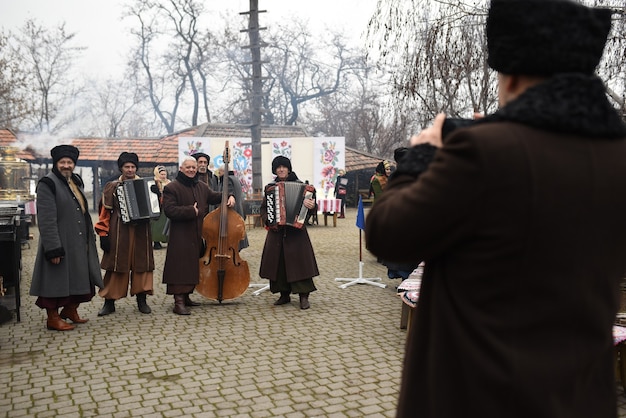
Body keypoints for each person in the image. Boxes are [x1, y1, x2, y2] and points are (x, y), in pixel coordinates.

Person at [365, 1, 626, 417]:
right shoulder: (615, 154)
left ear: (515, 73)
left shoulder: (487, 153)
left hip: (482, 394)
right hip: (580, 396)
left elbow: (389, 234)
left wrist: (421, 158)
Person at [30, 145, 104, 331]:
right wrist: (53, 248)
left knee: (83, 280)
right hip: (59, 241)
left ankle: (70, 311)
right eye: (62, 162)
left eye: (69, 162)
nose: (66, 165)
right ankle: (52, 318)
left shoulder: (75, 182)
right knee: (56, 282)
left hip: (78, 242)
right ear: (56, 163)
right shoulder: (48, 183)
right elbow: (46, 220)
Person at [161, 157, 236, 315]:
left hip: (196, 234)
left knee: (192, 265)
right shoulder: (172, 188)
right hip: (180, 236)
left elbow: (215, 196)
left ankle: (187, 296)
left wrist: (229, 195)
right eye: (188, 167)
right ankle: (178, 302)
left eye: (193, 167)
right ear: (181, 169)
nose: (191, 170)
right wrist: (191, 211)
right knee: (179, 267)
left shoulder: (201, 186)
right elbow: (169, 210)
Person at [95, 152, 155, 316]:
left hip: (142, 231)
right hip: (119, 229)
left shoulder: (147, 185)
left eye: (133, 167)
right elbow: (104, 212)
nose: (130, 170)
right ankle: (109, 302)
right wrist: (103, 234)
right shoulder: (112, 186)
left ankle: (142, 300)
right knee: (116, 264)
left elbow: (156, 210)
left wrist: (157, 196)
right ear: (121, 168)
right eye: (127, 167)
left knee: (142, 264)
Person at [259, 156, 319, 310]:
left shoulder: (303, 187)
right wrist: (269, 220)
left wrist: (311, 205)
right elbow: (264, 208)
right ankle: (284, 294)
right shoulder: (270, 187)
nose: (281, 169)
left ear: (288, 168)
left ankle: (303, 296)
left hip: (296, 232)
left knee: (300, 264)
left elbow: (313, 208)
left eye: (283, 167)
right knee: (278, 264)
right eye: (278, 167)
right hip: (277, 231)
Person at [210, 164, 249, 250]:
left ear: (223, 172)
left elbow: (229, 192)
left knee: (231, 241)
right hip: (238, 212)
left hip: (230, 214)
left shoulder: (227, 180)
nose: (219, 174)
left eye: (219, 172)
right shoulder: (235, 179)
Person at [151, 165, 170, 250]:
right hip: (157, 206)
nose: (163, 176)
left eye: (164, 174)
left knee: (165, 224)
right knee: (156, 225)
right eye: (161, 174)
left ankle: (165, 240)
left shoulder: (169, 182)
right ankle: (156, 242)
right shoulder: (154, 182)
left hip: (166, 206)